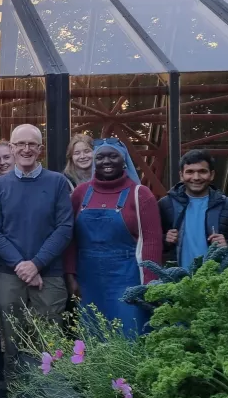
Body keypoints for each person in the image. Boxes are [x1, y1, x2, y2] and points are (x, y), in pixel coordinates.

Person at [0, 124, 74, 398]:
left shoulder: (58, 182)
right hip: (10, 275)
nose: (25, 149)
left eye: (31, 144)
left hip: (48, 275)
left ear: (40, 149)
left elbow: (65, 228)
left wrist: (36, 264)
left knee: (49, 341)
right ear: (10, 148)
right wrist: (22, 266)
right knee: (12, 340)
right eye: (19, 144)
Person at [64, 139, 163, 337]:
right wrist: (70, 275)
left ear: (124, 160)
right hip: (88, 279)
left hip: (127, 278)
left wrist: (149, 285)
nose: (106, 161)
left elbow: (152, 242)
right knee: (92, 335)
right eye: (100, 157)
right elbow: (70, 238)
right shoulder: (80, 194)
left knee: (129, 333)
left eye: (113, 156)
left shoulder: (140, 194)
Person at [158, 149, 228, 269]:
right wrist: (164, 239)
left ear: (212, 175)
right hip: (177, 283)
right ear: (181, 176)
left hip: (218, 283)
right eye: (190, 172)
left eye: (202, 171)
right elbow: (144, 242)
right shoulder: (165, 205)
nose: (196, 177)